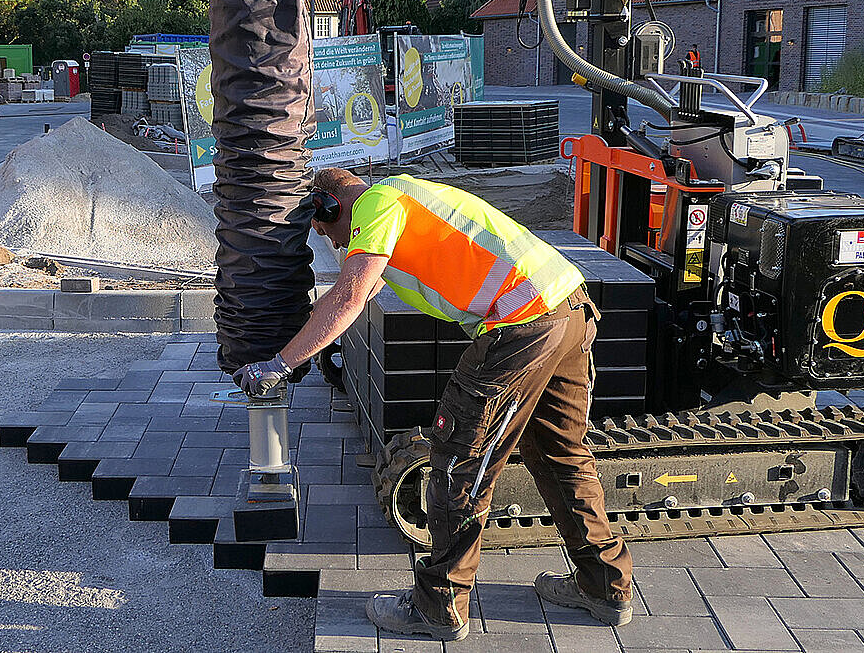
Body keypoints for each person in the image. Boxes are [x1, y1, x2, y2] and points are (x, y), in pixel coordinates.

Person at [233, 167, 632, 642]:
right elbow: (349, 295)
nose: (336, 244)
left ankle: (439, 605)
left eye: (327, 231)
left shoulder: (374, 203)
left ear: (331, 205)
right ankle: (605, 586)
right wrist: (300, 345)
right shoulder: (404, 198)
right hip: (568, 308)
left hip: (520, 326)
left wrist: (277, 364)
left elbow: (352, 293)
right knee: (560, 453)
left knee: (457, 462)